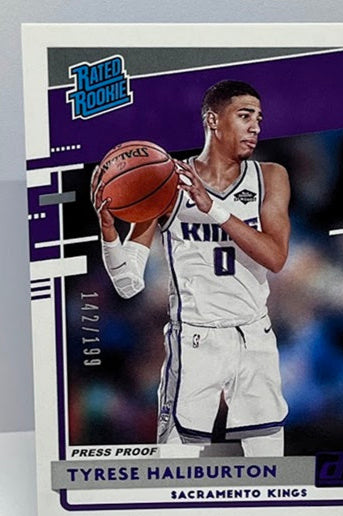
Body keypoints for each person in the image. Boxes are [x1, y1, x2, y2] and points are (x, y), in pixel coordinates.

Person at [91, 80, 291, 456]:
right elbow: (128, 283)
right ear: (213, 120)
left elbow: (276, 257)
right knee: (175, 463)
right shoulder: (166, 181)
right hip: (195, 340)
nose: (256, 127)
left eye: (259, 119)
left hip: (254, 335)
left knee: (270, 462)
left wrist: (212, 208)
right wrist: (109, 235)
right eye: (245, 116)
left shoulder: (271, 176)